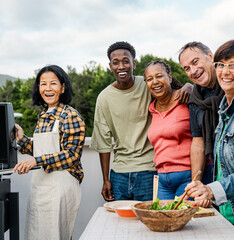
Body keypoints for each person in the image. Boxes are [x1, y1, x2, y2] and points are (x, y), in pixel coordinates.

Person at [91, 41, 191, 202]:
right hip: (119, 173)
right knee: (120, 225)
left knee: (150, 222)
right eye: (116, 63)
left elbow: (172, 90)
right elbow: (103, 142)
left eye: (126, 61)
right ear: (110, 66)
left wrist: (190, 86)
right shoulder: (104, 98)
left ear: (133, 63)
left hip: (149, 170)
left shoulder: (147, 84)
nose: (121, 66)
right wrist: (105, 179)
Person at [185, 40, 234, 239]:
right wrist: (202, 187)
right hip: (230, 211)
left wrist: (210, 190)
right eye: (221, 65)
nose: (225, 72)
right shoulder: (225, 109)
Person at [13, 65, 86, 240]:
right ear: (38, 88)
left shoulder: (70, 116)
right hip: (41, 187)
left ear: (62, 87)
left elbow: (72, 155)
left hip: (60, 187)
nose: (47, 88)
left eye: (53, 83)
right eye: (43, 84)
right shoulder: (44, 116)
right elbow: (41, 149)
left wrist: (36, 161)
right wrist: (21, 138)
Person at [144, 60, 192, 199]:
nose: (155, 82)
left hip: (187, 177)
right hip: (163, 180)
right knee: (163, 218)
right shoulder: (151, 108)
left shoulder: (185, 98)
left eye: (159, 76)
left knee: (185, 220)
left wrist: (192, 87)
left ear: (169, 77)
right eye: (149, 79)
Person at [179, 41, 224, 186]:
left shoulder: (230, 85)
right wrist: (195, 181)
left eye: (195, 62)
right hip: (212, 171)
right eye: (187, 68)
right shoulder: (195, 99)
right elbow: (198, 142)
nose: (193, 70)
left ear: (210, 56)